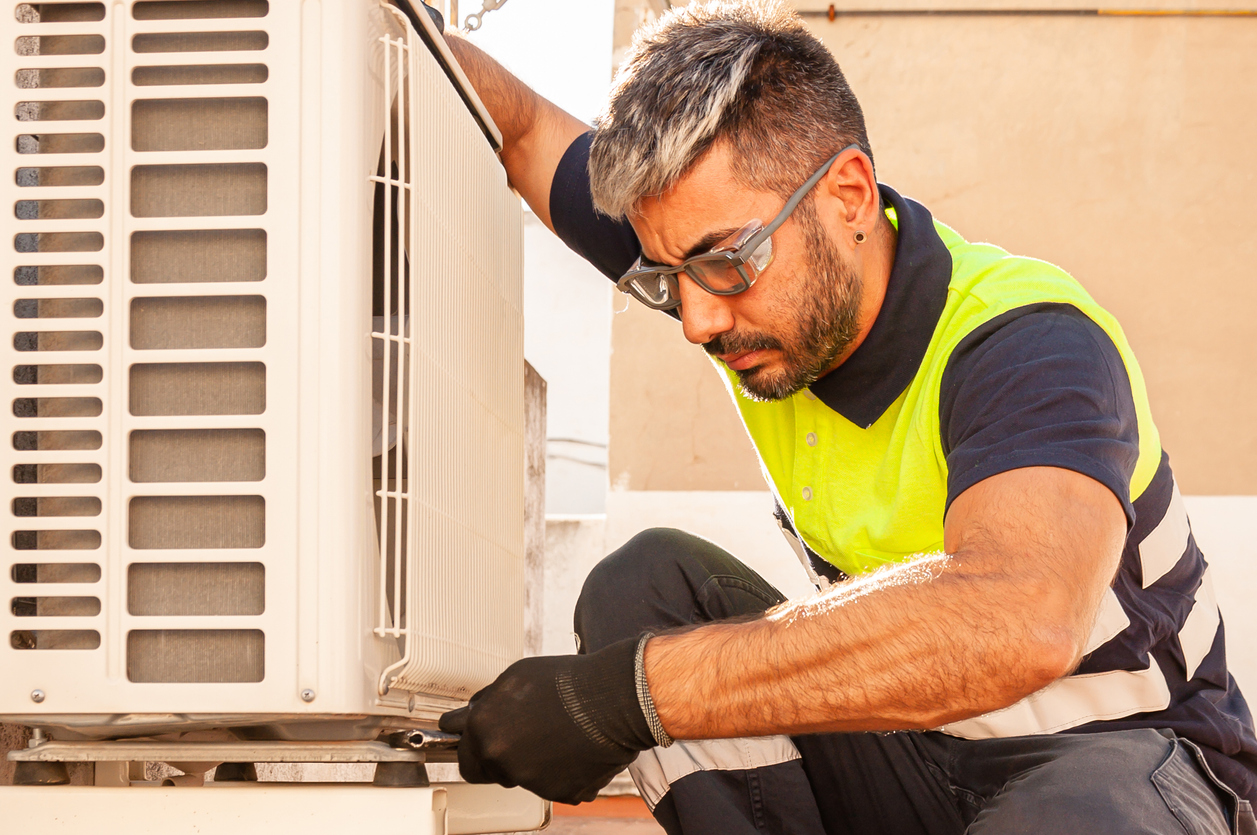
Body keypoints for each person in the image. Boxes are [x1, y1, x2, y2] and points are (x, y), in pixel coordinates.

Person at [435, 2, 1257, 833]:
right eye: (663, 276)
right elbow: (524, 131)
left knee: (1080, 811)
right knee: (645, 585)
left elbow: (1020, 619)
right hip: (919, 756)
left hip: (1123, 768)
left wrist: (624, 695)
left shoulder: (1028, 343)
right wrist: (375, 35)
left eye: (723, 263)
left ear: (849, 195)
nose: (696, 322)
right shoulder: (717, 263)